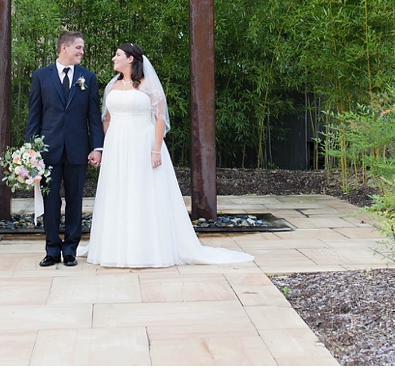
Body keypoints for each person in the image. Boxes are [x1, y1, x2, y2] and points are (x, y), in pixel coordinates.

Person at [80, 43, 253, 267]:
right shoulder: (112, 87)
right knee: (118, 192)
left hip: (142, 143)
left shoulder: (149, 85)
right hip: (116, 146)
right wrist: (104, 148)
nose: (114, 58)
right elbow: (107, 119)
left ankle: (146, 249)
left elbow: (160, 118)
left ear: (130, 59)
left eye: (118, 55)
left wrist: (155, 149)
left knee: (143, 192)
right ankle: (116, 247)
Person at [25, 31, 104, 267]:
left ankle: (70, 249)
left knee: (75, 200)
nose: (82, 52)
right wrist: (31, 151)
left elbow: (93, 116)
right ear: (64, 48)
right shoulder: (41, 76)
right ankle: (51, 250)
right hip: (48, 150)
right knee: (50, 202)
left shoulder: (88, 78)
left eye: (82, 48)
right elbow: (34, 116)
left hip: (78, 150)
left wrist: (97, 148)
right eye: (79, 47)